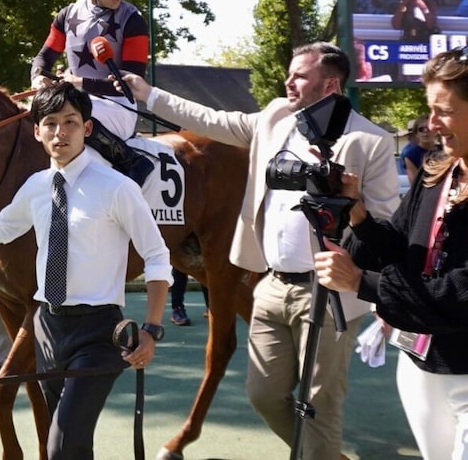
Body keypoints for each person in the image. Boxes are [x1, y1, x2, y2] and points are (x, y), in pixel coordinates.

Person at [120, 42, 400, 459]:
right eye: (289, 73)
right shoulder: (275, 117)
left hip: (330, 292)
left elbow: (387, 230)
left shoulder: (371, 141)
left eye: (300, 76)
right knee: (264, 395)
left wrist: (352, 203)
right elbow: (212, 120)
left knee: (320, 408)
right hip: (270, 285)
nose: (288, 81)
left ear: (331, 83)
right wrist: (149, 94)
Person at [0, 83, 172, 458]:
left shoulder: (117, 188)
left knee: (61, 446)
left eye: (70, 122)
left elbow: (158, 257)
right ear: (37, 131)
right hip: (48, 329)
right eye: (50, 123)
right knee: (71, 445)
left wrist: (152, 328)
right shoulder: (36, 186)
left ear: (87, 129)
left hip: (98, 333)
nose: (60, 132)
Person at [314, 47, 468, 460]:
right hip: (420, 364)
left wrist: (360, 283)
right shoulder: (439, 170)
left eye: (444, 111)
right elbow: (399, 249)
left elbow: (461, 292)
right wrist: (358, 215)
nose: (431, 124)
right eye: (429, 110)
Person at [31, 0, 153, 186]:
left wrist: (80, 83)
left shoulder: (133, 19)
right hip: (76, 99)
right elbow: (44, 58)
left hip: (118, 105)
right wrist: (37, 77)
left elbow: (131, 84)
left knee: (72, 116)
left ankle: (132, 162)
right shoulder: (67, 15)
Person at [400, 114, 437, 185]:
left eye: (429, 128)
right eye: (421, 129)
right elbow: (415, 184)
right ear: (416, 133)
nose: (425, 131)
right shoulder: (410, 154)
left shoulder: (445, 150)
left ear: (436, 131)